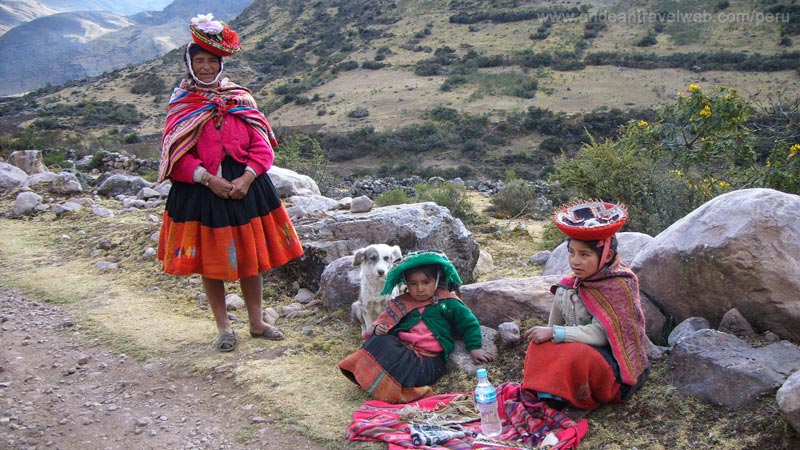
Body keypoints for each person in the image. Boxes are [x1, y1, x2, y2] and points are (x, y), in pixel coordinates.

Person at [156, 13, 304, 352]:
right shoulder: (182, 103)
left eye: (211, 61)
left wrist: (248, 176)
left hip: (247, 189)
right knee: (213, 262)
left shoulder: (240, 97)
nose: (205, 67)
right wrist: (208, 179)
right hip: (203, 192)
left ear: (220, 63)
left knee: (249, 259)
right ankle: (224, 327)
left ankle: (256, 321)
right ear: (190, 64)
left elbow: (262, 143)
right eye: (199, 61)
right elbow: (176, 154)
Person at [523, 200, 649, 411]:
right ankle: (549, 393)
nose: (575, 261)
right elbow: (552, 327)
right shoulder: (567, 286)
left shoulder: (620, 284)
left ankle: (576, 397)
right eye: (571, 253)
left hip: (614, 368)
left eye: (584, 255)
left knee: (578, 355)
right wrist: (550, 335)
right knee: (539, 346)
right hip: (578, 348)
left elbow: (601, 335)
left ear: (606, 256)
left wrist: (555, 333)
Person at [339, 250, 495, 403]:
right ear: (406, 284)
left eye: (426, 282)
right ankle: (366, 377)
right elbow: (383, 322)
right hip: (403, 352)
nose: (420, 289)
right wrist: (378, 328)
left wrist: (475, 348)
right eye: (413, 283)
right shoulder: (401, 303)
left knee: (395, 357)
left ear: (437, 279)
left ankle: (390, 386)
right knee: (378, 341)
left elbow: (469, 323)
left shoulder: (448, 302)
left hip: (427, 363)